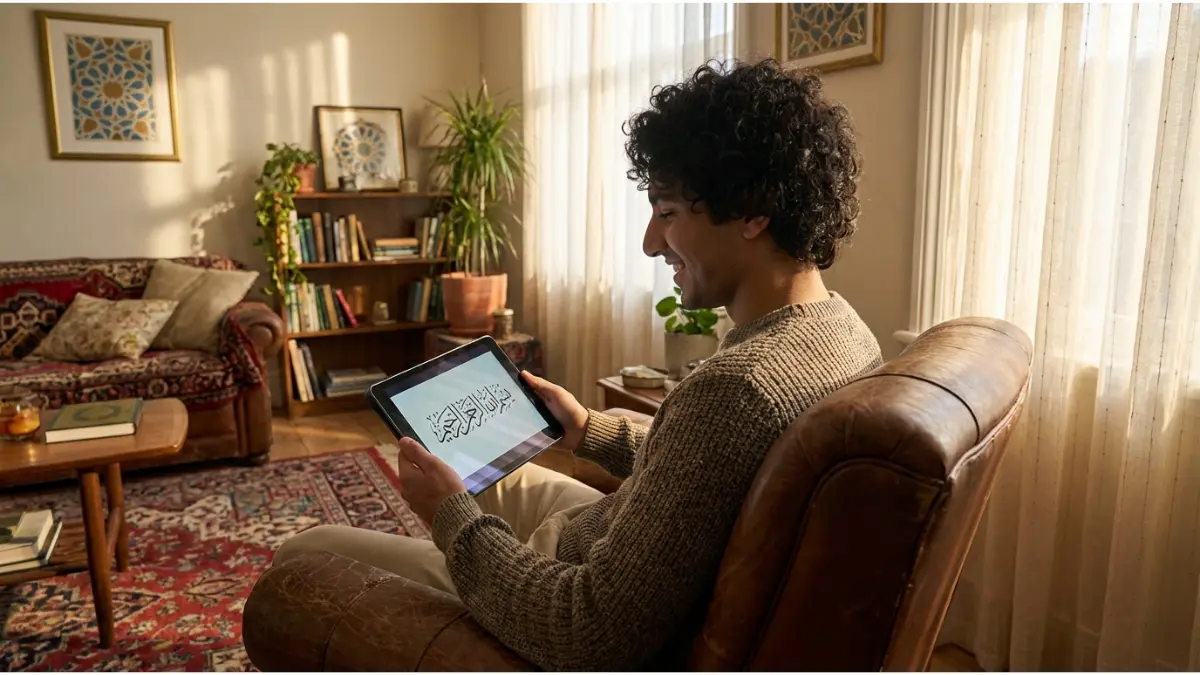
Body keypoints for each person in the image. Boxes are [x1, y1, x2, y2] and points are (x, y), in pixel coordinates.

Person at [274, 58, 884, 670]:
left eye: (668, 212)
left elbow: (584, 632)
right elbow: (715, 476)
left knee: (304, 555)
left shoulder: (738, 388)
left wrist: (447, 516)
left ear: (755, 210)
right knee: (491, 468)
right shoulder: (841, 329)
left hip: (565, 587)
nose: (650, 242)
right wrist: (589, 428)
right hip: (603, 534)